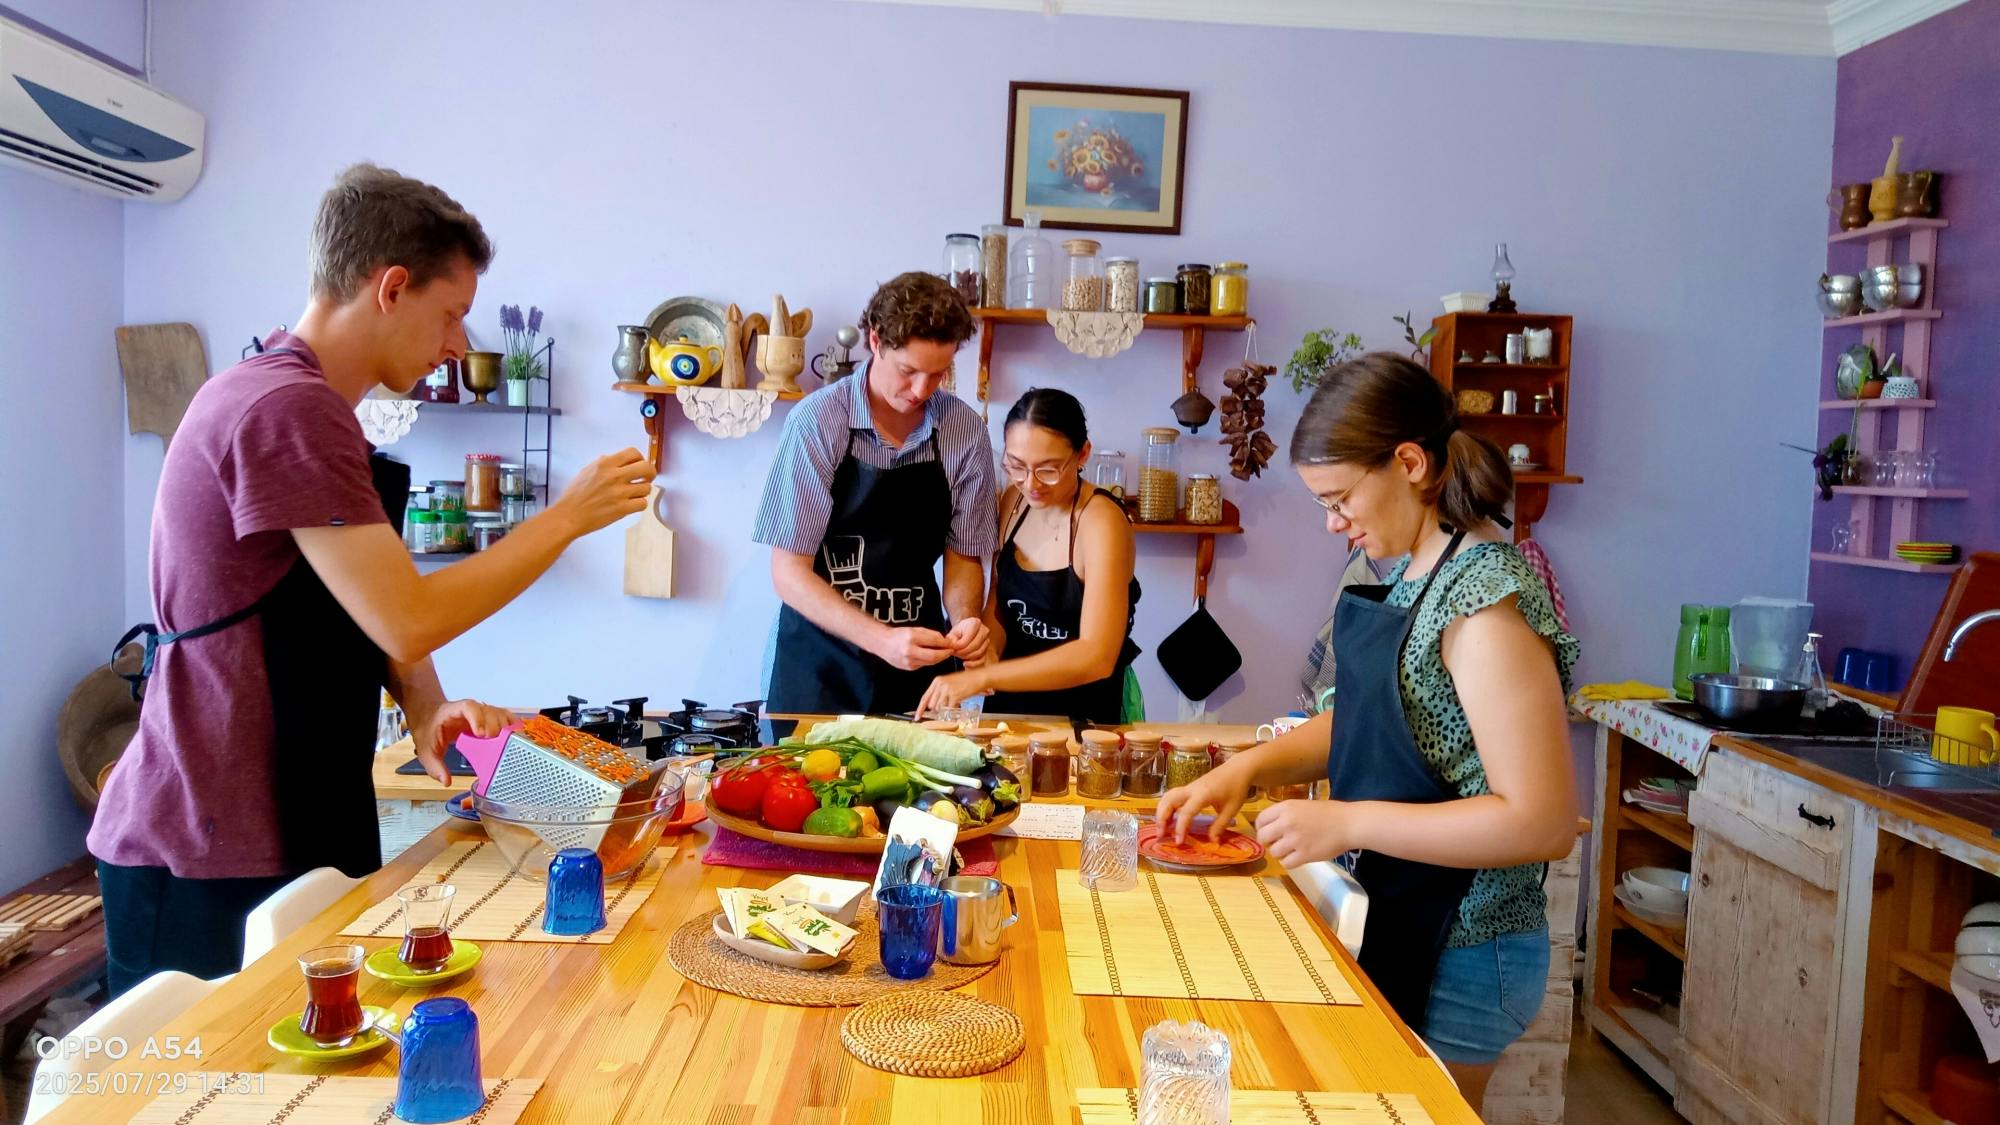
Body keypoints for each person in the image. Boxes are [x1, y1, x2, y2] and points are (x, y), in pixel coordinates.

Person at [88, 164, 654, 993]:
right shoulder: (289, 410)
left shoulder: (300, 402)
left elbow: (360, 594)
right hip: (208, 841)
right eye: (452, 313)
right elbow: (407, 616)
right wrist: (564, 518)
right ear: (392, 287)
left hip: (273, 812)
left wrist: (423, 701)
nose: (458, 343)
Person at [1158, 352, 1579, 1109]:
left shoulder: (1483, 602)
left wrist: (1347, 820)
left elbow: (1541, 820)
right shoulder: (1414, 570)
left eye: (1340, 496)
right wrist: (1250, 767)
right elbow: (1369, 714)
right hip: (1405, 910)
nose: (1332, 522)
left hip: (1467, 941)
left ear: (1410, 463)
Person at [753, 271, 995, 715]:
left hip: (919, 661)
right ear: (876, 340)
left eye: (938, 374)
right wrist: (882, 639)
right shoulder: (819, 422)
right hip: (819, 665)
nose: (921, 391)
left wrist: (965, 623)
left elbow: (963, 556)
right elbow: (789, 572)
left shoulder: (964, 431)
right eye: (908, 371)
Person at [917, 388, 1140, 723]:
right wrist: (985, 649)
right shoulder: (1013, 502)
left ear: (1082, 455)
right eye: (1016, 466)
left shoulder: (1101, 522)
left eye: (1049, 469)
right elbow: (1001, 604)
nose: (1031, 483)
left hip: (1086, 716)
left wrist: (983, 677)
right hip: (1011, 711)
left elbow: (1097, 655)